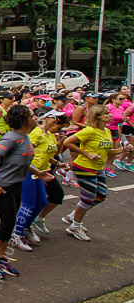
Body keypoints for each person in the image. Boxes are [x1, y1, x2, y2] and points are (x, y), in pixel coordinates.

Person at [0, 105, 47, 277]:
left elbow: (21, 162)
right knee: (7, 223)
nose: (35, 118)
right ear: (23, 120)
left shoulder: (25, 138)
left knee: (11, 223)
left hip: (17, 184)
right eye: (32, 115)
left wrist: (38, 173)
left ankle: (0, 257)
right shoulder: (11, 138)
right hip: (4, 186)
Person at [60, 104, 131, 242]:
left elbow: (108, 151)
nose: (111, 116)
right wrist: (87, 153)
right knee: (88, 198)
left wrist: (123, 150)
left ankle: (73, 216)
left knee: (101, 196)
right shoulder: (89, 131)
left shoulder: (106, 131)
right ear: (98, 117)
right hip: (84, 167)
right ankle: (75, 226)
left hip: (98, 168)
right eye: (107, 114)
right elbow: (68, 142)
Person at [20, 110, 69, 245]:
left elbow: (49, 154)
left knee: (41, 202)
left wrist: (58, 163)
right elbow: (25, 151)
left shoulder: (50, 134)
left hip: (40, 172)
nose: (57, 122)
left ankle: (26, 228)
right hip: (30, 171)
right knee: (28, 204)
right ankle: (17, 233)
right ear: (46, 118)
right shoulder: (37, 132)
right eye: (55, 119)